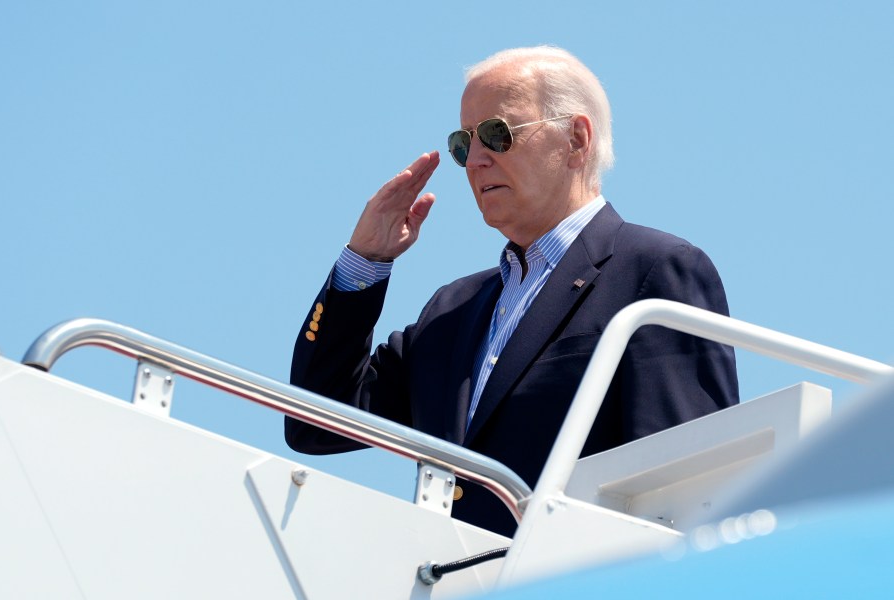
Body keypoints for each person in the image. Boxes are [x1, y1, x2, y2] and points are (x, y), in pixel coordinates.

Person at [285, 46, 739, 537]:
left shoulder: (653, 272)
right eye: (464, 144)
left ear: (576, 139)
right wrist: (365, 262)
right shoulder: (451, 311)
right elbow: (316, 424)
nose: (475, 161)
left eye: (499, 135)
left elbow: (684, 492)